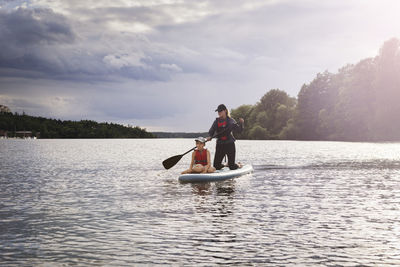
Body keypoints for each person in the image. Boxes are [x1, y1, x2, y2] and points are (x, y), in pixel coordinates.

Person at [207, 104, 244, 170]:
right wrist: (210, 136)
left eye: (220, 111)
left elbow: (239, 130)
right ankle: (225, 165)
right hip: (220, 145)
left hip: (230, 145)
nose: (219, 113)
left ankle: (238, 165)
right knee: (216, 166)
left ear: (225, 111)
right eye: (218, 111)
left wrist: (241, 123)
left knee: (232, 167)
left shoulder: (231, 121)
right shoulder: (216, 121)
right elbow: (211, 131)